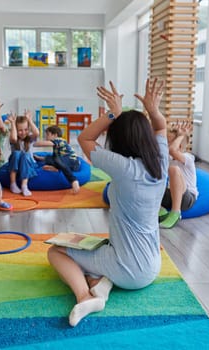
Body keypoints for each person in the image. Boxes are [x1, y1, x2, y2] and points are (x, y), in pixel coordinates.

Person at [47, 78, 168, 327]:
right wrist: (154, 111)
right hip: (152, 265)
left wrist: (113, 113)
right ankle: (100, 283)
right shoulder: (160, 163)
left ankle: (85, 297)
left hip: (129, 269)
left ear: (120, 139)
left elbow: (84, 140)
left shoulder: (125, 167)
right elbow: (161, 128)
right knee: (90, 244)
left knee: (55, 251)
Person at [159, 121, 198, 229]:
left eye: (169, 143)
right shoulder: (168, 158)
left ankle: (176, 212)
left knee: (174, 169)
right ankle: (160, 210)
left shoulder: (188, 158)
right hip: (171, 196)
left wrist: (181, 135)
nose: (166, 146)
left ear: (179, 145)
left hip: (187, 198)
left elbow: (172, 150)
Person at [35, 125, 81, 194]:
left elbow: (43, 144)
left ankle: (73, 180)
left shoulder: (59, 140)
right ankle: (56, 168)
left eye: (48, 135)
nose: (46, 137)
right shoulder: (56, 148)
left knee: (57, 159)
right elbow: (53, 158)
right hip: (63, 163)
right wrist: (41, 158)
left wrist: (35, 143)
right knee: (50, 158)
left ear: (55, 135)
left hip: (72, 162)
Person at [7, 109, 40, 196]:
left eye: (26, 129)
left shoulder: (29, 139)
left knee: (25, 155)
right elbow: (14, 138)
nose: (23, 132)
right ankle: (13, 184)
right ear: (16, 130)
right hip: (16, 164)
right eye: (20, 130)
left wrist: (29, 120)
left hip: (28, 163)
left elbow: (36, 133)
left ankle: (24, 186)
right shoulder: (13, 139)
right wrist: (13, 123)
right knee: (16, 153)